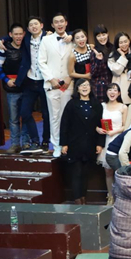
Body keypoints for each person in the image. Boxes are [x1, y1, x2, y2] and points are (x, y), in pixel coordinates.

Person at [0, 16, 51, 153]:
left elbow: (66, 34)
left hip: (45, 81)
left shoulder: (48, 37)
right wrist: (1, 40)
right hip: (30, 81)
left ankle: (45, 141)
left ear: (41, 25)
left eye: (36, 24)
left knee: (46, 114)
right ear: (28, 29)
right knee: (25, 112)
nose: (34, 26)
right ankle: (35, 141)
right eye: (31, 25)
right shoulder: (26, 39)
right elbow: (12, 36)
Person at [60, 79, 105, 204]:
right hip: (74, 143)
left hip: (90, 144)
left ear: (90, 88)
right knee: (76, 172)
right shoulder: (71, 104)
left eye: (87, 85)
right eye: (82, 85)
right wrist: (64, 144)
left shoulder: (97, 104)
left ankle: (83, 198)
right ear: (77, 88)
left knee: (85, 173)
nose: (84, 87)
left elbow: (100, 125)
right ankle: (77, 199)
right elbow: (64, 125)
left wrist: (100, 144)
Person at [38, 13, 74, 158]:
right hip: (52, 85)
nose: (59, 24)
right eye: (56, 22)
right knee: (54, 116)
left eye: (61, 21)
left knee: (67, 115)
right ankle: (57, 145)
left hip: (68, 84)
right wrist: (51, 79)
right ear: (52, 25)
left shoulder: (72, 40)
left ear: (66, 23)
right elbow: (41, 61)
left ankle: (67, 143)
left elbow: (78, 58)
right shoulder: (46, 40)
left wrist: (70, 77)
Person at [0, 23, 26, 153]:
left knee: (27, 117)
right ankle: (15, 144)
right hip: (12, 90)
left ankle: (26, 144)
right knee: (14, 119)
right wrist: (6, 80)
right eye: (16, 34)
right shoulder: (4, 48)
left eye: (20, 34)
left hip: (27, 88)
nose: (18, 36)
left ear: (24, 34)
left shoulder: (28, 46)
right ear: (10, 35)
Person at [97, 83, 127, 205]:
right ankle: (110, 196)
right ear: (106, 92)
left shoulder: (123, 107)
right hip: (105, 139)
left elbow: (125, 126)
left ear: (119, 93)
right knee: (108, 171)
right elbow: (96, 123)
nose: (112, 92)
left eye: (115, 90)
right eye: (110, 90)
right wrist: (98, 129)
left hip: (117, 139)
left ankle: (121, 197)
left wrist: (114, 132)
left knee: (119, 171)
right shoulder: (102, 106)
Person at [108, 32, 131, 105]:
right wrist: (122, 56)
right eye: (121, 43)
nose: (124, 44)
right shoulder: (112, 55)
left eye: (125, 41)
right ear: (117, 44)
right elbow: (117, 71)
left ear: (129, 41)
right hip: (119, 85)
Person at [90, 24, 113, 102]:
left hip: (113, 86)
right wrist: (99, 61)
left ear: (107, 34)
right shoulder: (94, 51)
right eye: (98, 36)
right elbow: (93, 73)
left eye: (103, 34)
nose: (102, 38)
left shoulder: (112, 48)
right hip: (100, 88)